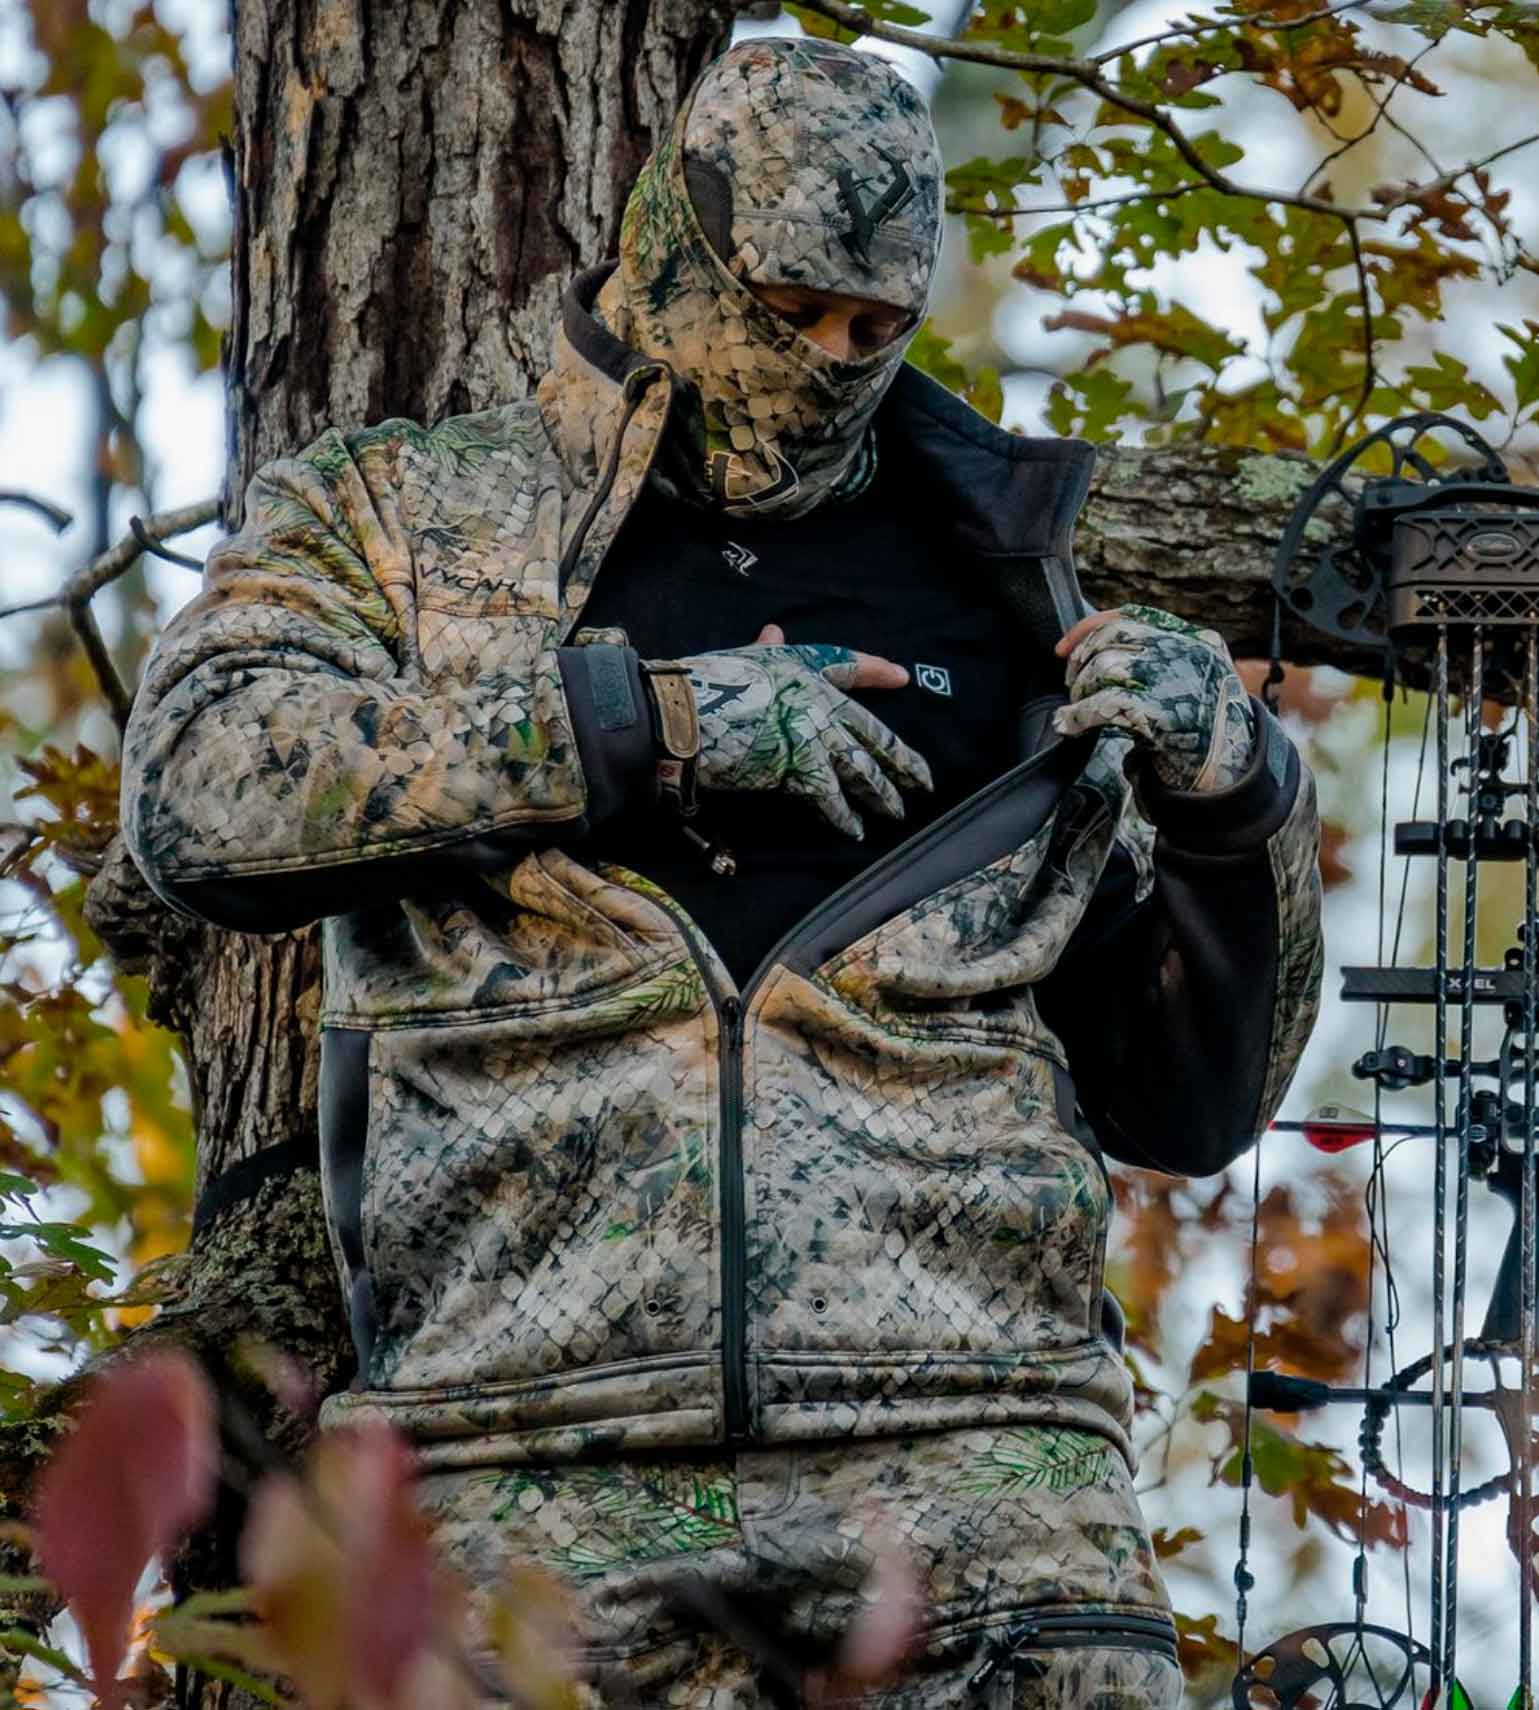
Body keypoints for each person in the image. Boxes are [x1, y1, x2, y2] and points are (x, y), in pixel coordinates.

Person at [121, 35, 1322, 1708]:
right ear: (675, 248)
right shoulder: (405, 518)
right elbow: (197, 787)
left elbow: (1195, 1097)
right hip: (511, 1462)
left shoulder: (1019, 570)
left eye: (875, 328)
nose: (831, 361)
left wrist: (1241, 797)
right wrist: (640, 724)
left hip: (985, 1472)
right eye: (791, 306)